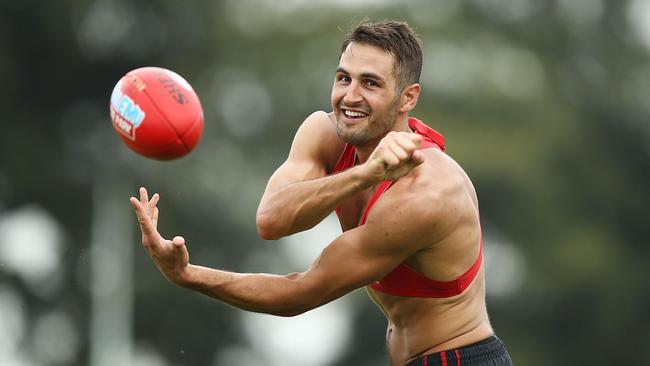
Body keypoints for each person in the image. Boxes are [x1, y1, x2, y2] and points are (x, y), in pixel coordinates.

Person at [130, 20, 513, 366]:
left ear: (408, 98)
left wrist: (188, 276)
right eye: (344, 78)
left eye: (371, 83)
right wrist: (364, 175)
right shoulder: (326, 134)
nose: (350, 96)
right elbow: (272, 220)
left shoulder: (426, 194)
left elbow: (301, 292)